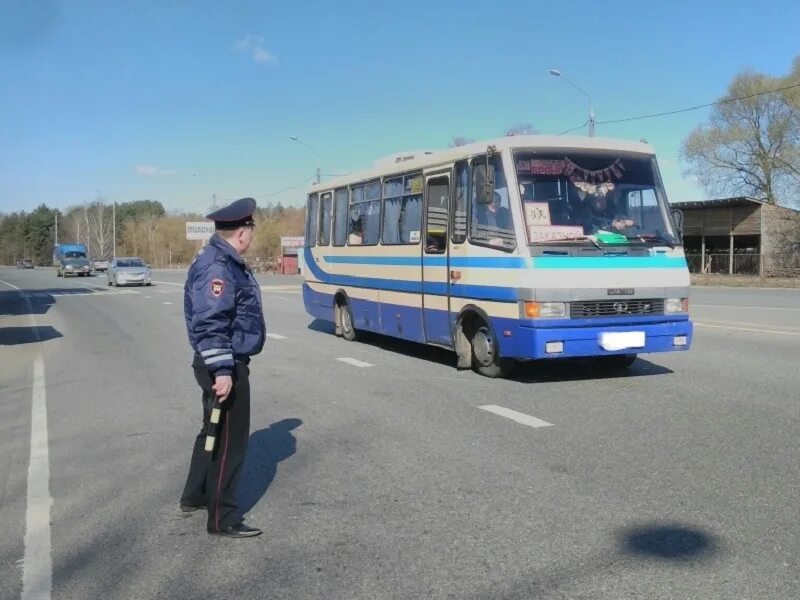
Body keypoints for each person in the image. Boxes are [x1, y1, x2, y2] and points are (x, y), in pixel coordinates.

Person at [180, 197, 266, 539]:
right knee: (231, 443)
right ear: (242, 233)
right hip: (223, 362)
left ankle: (195, 495)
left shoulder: (217, 258)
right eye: (251, 231)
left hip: (215, 360)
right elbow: (211, 320)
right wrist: (225, 370)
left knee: (212, 432)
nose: (251, 237)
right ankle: (223, 518)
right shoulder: (219, 266)